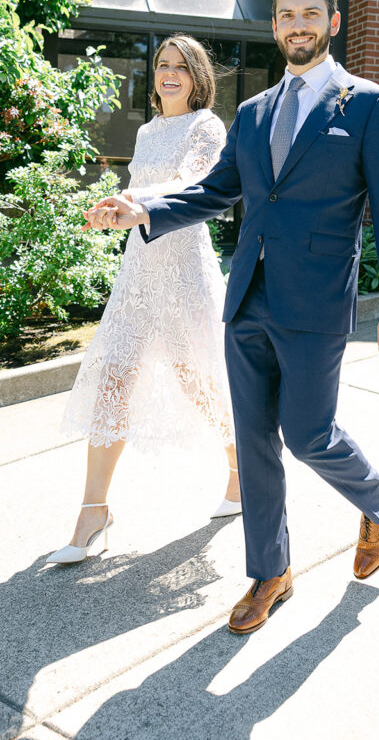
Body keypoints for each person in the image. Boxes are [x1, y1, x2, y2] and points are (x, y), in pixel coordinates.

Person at [85, 0, 379, 633]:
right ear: (274, 27)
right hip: (247, 298)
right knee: (255, 441)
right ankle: (269, 572)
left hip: (317, 300)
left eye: (309, 14)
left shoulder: (367, 105)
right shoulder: (256, 112)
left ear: (332, 22)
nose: (297, 24)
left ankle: (377, 497)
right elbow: (214, 191)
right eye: (285, 14)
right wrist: (141, 208)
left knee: (306, 435)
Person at [46, 36, 241, 566]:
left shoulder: (207, 126)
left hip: (183, 272)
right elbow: (138, 195)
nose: (170, 74)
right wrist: (114, 210)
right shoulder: (147, 129)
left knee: (199, 381)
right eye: (162, 66)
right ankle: (93, 513)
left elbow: (193, 182)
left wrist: (134, 201)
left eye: (181, 67)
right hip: (138, 271)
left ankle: (241, 470)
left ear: (197, 76)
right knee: (113, 378)